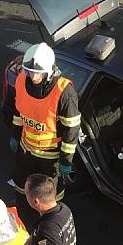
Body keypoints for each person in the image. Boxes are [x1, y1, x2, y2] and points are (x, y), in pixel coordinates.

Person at [8, 43, 80, 226]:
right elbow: (18, 112)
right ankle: (24, 217)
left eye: (37, 73)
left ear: (49, 71)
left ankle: (49, 223)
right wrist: (16, 136)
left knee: (51, 194)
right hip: (26, 150)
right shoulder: (20, 81)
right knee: (21, 186)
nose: (33, 76)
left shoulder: (64, 93)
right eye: (29, 71)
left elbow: (70, 130)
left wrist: (66, 161)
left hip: (50, 156)